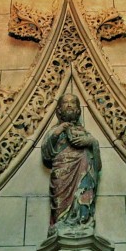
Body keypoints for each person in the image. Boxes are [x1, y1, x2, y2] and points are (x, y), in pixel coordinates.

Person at [42, 93, 101, 236]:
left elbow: (97, 166)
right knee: (60, 200)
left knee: (83, 195)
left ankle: (82, 222)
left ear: (78, 110)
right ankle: (60, 223)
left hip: (83, 170)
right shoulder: (54, 131)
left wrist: (92, 143)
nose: (69, 105)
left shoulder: (84, 133)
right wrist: (58, 131)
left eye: (73, 103)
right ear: (59, 109)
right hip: (62, 171)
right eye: (65, 103)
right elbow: (46, 153)